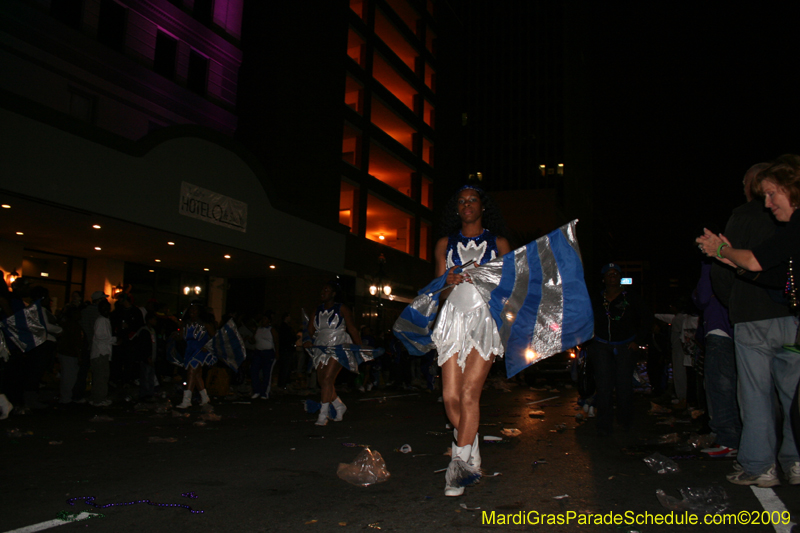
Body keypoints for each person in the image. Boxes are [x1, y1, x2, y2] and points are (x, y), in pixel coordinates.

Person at [697, 154, 800, 487]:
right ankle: (796, 462)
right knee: (793, 393)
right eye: (763, 194)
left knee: (755, 392)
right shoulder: (788, 226)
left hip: (754, 321)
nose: (767, 202)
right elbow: (778, 274)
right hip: (790, 321)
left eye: (771, 193)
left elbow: (754, 264)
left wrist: (722, 254)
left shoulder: (744, 218)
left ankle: (759, 465)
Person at [430, 185, 511, 497]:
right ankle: (471, 444)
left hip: (483, 321)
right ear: (457, 208)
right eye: (461, 201)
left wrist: (487, 279)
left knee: (468, 395)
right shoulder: (443, 244)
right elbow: (440, 293)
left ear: (482, 206)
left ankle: (460, 467)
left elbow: (511, 290)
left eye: (472, 200)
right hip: (451, 320)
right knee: (450, 397)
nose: (467, 205)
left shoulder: (499, 243)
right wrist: (447, 281)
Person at [590, 263, 651, 437]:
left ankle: (625, 422)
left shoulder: (631, 297)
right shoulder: (597, 298)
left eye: (615, 273)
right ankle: (604, 425)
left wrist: (637, 341)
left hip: (625, 346)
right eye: (608, 274)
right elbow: (586, 318)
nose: (612, 276)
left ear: (620, 277)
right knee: (603, 386)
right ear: (603, 278)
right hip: (602, 345)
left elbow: (646, 317)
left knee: (624, 385)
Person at [305, 281, 362, 426]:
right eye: (322, 290)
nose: (323, 292)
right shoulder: (317, 310)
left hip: (338, 345)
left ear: (333, 294)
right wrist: (307, 340)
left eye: (327, 290)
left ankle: (323, 415)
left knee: (328, 378)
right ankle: (339, 405)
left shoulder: (342, 308)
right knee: (322, 381)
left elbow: (352, 329)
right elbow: (309, 330)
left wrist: (360, 348)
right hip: (321, 346)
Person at [175, 303, 216, 409]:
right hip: (189, 350)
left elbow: (215, 337)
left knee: (191, 372)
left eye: (195, 310)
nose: (192, 312)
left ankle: (186, 400)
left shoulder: (205, 324)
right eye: (191, 310)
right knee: (197, 375)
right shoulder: (185, 324)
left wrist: (207, 346)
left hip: (200, 350)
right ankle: (205, 398)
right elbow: (181, 338)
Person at [249, 311, 278, 400]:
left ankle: (265, 392)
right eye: (262, 319)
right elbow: (253, 340)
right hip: (258, 352)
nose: (263, 321)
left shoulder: (271, 330)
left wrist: (277, 353)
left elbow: (276, 341)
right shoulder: (258, 329)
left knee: (267, 373)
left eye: (265, 319)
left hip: (268, 353)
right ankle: (257, 390)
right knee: (254, 370)